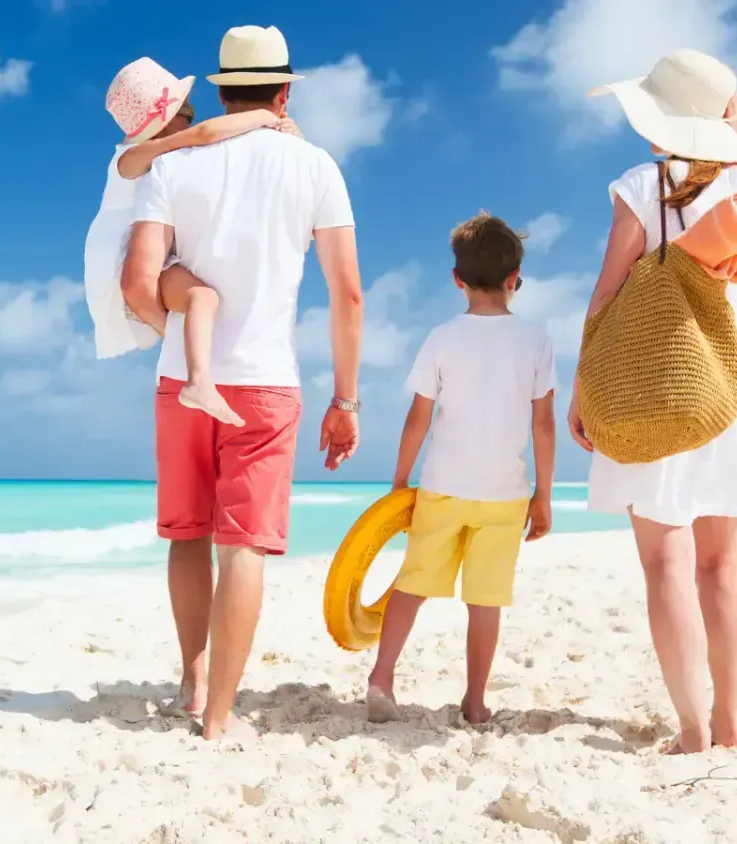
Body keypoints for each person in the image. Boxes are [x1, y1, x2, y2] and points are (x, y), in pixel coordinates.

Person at [120, 24, 364, 741]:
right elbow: (347, 295)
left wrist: (176, 338)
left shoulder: (172, 166)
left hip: (181, 381)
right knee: (244, 548)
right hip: (264, 384)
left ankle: (192, 682)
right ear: (284, 92)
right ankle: (221, 717)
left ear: (222, 91)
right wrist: (345, 399)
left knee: (187, 535)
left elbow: (140, 281)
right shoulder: (315, 166)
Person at [569, 49, 737, 753]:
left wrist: (583, 384)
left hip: (652, 374)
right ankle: (730, 720)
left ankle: (692, 730)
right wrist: (733, 117)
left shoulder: (641, 183)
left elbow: (608, 292)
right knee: (722, 563)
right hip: (732, 378)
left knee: (666, 562)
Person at [364, 213, 557, 725]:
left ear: (457, 279)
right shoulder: (536, 339)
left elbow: (417, 420)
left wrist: (399, 484)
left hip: (443, 487)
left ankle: (382, 678)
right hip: (505, 494)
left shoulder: (442, 337)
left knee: (413, 583)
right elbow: (544, 425)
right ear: (516, 278)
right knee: (485, 600)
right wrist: (544, 494)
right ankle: (474, 701)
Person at [85, 57, 301, 427]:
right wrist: (266, 118)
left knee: (196, 302)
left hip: (137, 251)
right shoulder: (127, 159)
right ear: (164, 119)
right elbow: (204, 136)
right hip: (120, 257)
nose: (192, 117)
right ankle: (199, 379)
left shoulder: (161, 156)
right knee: (201, 299)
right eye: (186, 109)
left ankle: (198, 377)